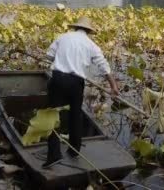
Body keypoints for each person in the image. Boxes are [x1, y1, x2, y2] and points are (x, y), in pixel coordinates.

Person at [42, 16, 120, 168]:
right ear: (89, 31)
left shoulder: (62, 37)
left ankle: (54, 155)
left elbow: (48, 56)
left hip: (58, 79)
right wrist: (113, 86)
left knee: (52, 115)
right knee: (75, 115)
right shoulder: (91, 45)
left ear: (76, 28)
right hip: (76, 83)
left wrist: (56, 61)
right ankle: (74, 150)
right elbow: (103, 66)